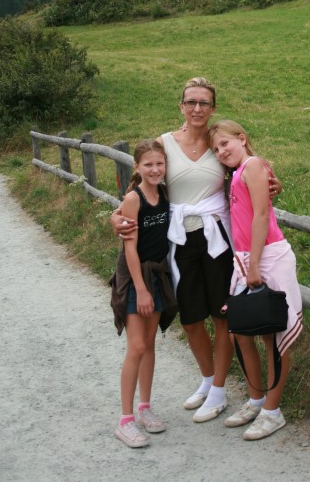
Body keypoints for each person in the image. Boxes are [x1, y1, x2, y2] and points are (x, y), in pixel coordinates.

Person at [111, 77, 282, 425]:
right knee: (190, 319)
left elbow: (249, 170)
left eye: (204, 102)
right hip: (179, 239)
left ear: (213, 108)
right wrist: (117, 216)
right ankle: (207, 379)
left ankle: (218, 389)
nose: (197, 108)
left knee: (222, 316)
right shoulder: (165, 143)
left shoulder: (220, 144)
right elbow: (141, 184)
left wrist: (273, 182)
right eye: (191, 102)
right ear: (181, 106)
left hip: (217, 235)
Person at [208, 119, 303, 441]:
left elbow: (262, 214)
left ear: (241, 138)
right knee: (240, 331)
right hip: (246, 258)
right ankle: (257, 399)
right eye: (216, 149)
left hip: (267, 257)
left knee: (275, 335)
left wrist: (255, 265)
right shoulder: (237, 173)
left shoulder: (253, 166)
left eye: (225, 144)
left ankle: (273, 412)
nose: (221, 152)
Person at [109, 139, 178, 449]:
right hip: (136, 277)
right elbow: (130, 249)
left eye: (159, 164)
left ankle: (145, 406)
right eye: (148, 164)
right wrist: (140, 289)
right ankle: (125, 421)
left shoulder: (164, 193)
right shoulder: (133, 199)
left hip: (158, 274)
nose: (155, 169)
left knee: (149, 344)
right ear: (136, 167)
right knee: (136, 346)